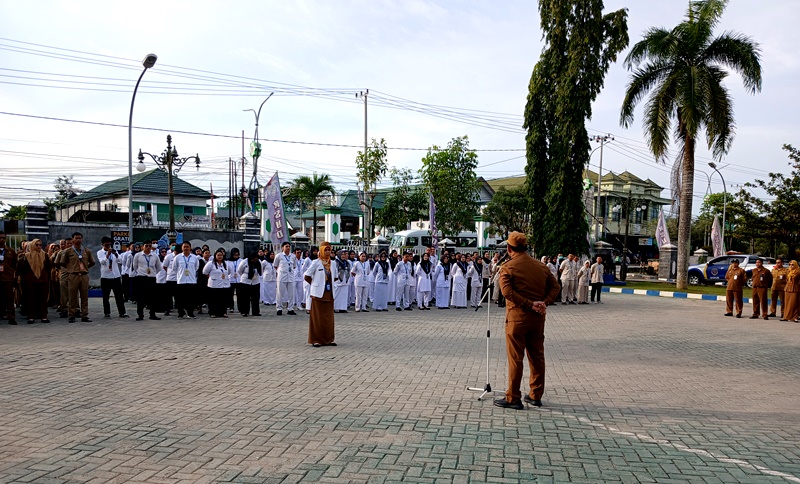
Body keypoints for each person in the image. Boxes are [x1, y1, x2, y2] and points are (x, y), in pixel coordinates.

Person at [494, 232, 559, 410]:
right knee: (537, 356)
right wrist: (543, 303)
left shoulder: (508, 267)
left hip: (517, 319)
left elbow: (507, 293)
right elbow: (556, 286)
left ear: (509, 248)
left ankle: (513, 397)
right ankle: (535, 395)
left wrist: (529, 304)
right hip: (538, 318)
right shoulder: (541, 266)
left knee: (516, 358)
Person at [304, 241, 338, 347]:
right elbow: (307, 276)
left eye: (329, 250)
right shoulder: (316, 262)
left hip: (329, 293)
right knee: (317, 318)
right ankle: (316, 339)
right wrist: (316, 284)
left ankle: (328, 339)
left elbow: (335, 277)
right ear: (321, 250)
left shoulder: (333, 263)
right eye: (326, 250)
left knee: (328, 318)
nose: (328, 252)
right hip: (318, 294)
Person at [58, 232, 95, 323]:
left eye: (80, 238)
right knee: (72, 296)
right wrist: (71, 269)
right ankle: (71, 315)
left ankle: (84, 315)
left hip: (83, 276)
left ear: (82, 240)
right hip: (73, 275)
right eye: (76, 238)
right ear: (73, 239)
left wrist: (85, 268)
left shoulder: (87, 251)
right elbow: (62, 263)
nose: (78, 240)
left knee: (84, 296)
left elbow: (92, 262)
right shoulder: (68, 251)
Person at [17, 238, 52, 324]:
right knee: (31, 299)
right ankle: (31, 317)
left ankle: (43, 316)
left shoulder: (45, 255)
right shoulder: (26, 256)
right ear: (32, 245)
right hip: (30, 281)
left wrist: (47, 278)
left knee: (43, 299)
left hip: (43, 280)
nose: (39, 246)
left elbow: (48, 268)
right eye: (37, 245)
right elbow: (21, 269)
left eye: (40, 245)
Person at [97, 236, 128, 319]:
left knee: (119, 296)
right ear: (102, 245)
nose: (108, 247)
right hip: (105, 277)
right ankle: (107, 312)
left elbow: (120, 261)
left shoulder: (115, 252)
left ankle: (122, 312)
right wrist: (108, 255)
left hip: (116, 276)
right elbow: (102, 262)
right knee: (106, 296)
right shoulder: (100, 252)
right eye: (106, 245)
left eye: (109, 245)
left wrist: (116, 254)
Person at [131, 241, 162, 321]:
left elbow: (158, 267)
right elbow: (135, 266)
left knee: (152, 297)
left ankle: (152, 314)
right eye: (146, 246)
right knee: (140, 297)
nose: (148, 247)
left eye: (149, 246)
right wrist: (141, 272)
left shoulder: (155, 256)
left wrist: (153, 273)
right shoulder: (138, 255)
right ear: (143, 247)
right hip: (141, 277)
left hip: (151, 278)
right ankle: (140, 315)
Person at [203, 249, 232, 318]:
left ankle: (223, 312)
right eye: (218, 255)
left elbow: (229, 272)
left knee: (223, 299)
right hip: (214, 285)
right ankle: (213, 312)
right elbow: (205, 272)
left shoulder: (226, 264)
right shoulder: (210, 263)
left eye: (221, 255)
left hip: (224, 285)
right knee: (213, 300)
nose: (219, 257)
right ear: (215, 256)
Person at [174, 242, 199, 319]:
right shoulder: (177, 257)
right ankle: (180, 313)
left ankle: (190, 313)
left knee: (191, 298)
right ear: (182, 248)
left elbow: (196, 267)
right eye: (184, 247)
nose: (186, 248)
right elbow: (175, 268)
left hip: (191, 280)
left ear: (190, 248)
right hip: (181, 280)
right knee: (180, 298)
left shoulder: (194, 258)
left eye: (187, 247)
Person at [236, 252, 263, 317]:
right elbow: (240, 271)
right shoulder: (244, 262)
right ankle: (245, 311)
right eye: (253, 259)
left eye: (256, 259)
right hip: (245, 282)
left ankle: (255, 312)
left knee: (255, 298)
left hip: (255, 281)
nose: (254, 261)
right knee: (245, 298)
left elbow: (261, 271)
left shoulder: (259, 262)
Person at [274, 242, 297, 316]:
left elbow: (294, 266)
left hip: (290, 277)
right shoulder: (279, 256)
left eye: (289, 246)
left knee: (291, 294)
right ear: (282, 248)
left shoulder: (293, 256)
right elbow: (275, 265)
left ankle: (290, 308)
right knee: (280, 293)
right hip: (282, 277)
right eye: (286, 246)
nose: (288, 248)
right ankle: (279, 308)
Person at [0, 232, 18, 325]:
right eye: (0, 238)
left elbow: (15, 264)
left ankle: (11, 317)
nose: (2, 240)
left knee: (9, 299)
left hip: (8, 279)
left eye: (3, 238)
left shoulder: (10, 251)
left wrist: (14, 276)